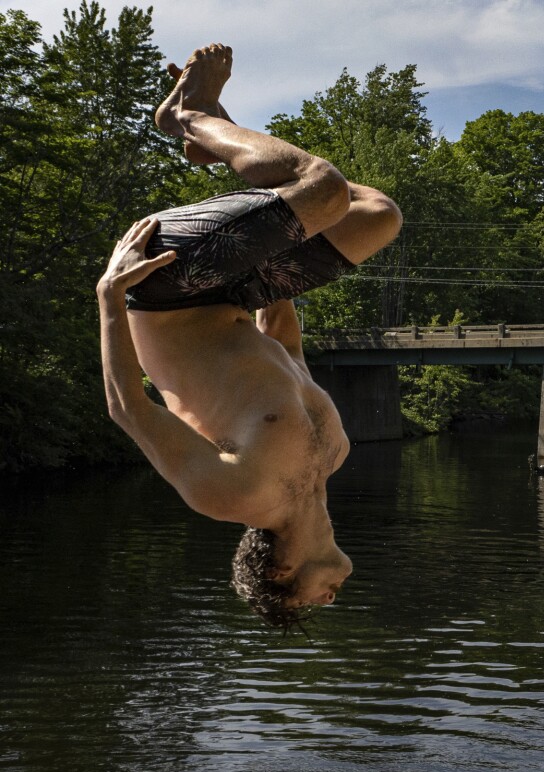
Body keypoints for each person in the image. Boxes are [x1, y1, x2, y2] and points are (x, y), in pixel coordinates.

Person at [97, 44, 402, 629]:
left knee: (323, 190)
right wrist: (276, 252)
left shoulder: (230, 497)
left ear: (279, 574)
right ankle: (217, 130)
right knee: (376, 213)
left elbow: (127, 409)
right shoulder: (331, 457)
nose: (330, 599)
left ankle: (185, 117)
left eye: (312, 603)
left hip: (162, 291)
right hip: (238, 296)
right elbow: (283, 346)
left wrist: (108, 297)